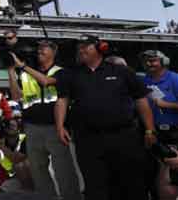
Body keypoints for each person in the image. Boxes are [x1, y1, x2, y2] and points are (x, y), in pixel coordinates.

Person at [55, 34, 157, 200]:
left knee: (131, 183)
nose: (81, 49)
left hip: (123, 137)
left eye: (86, 46)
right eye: (79, 47)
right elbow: (62, 100)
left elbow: (141, 100)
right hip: (88, 140)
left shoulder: (122, 72)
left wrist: (150, 130)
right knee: (95, 185)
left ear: (100, 48)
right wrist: (60, 126)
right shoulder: (70, 74)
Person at [9, 40, 81, 200]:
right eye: (38, 48)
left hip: (54, 128)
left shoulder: (61, 72)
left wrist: (23, 66)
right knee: (38, 171)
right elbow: (16, 96)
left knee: (63, 170)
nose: (39, 50)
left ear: (53, 52)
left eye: (44, 47)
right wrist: (11, 71)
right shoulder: (26, 73)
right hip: (32, 127)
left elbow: (46, 81)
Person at [142, 50, 178, 142]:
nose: (148, 63)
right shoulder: (145, 80)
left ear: (164, 62)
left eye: (153, 60)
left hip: (174, 131)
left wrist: (165, 104)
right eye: (146, 61)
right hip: (151, 131)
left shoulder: (175, 79)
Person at [0, 117, 34, 193]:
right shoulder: (0, 141)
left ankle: (30, 192)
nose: (10, 127)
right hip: (14, 177)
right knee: (3, 190)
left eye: (13, 125)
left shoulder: (25, 139)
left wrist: (0, 144)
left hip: (31, 176)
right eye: (8, 125)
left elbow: (16, 159)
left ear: (19, 128)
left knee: (20, 165)